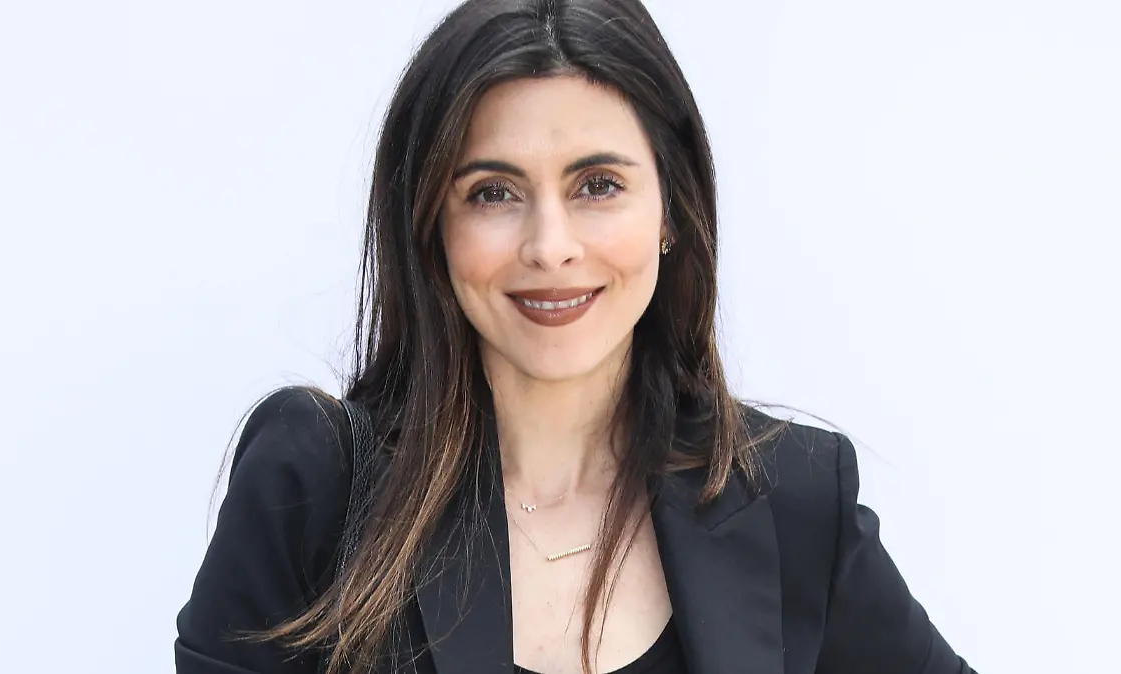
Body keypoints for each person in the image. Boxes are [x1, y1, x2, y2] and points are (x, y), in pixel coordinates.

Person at [174, 0, 976, 672]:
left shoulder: (793, 500)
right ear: (430, 228)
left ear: (671, 210)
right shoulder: (313, 486)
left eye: (599, 185)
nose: (550, 245)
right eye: (493, 192)